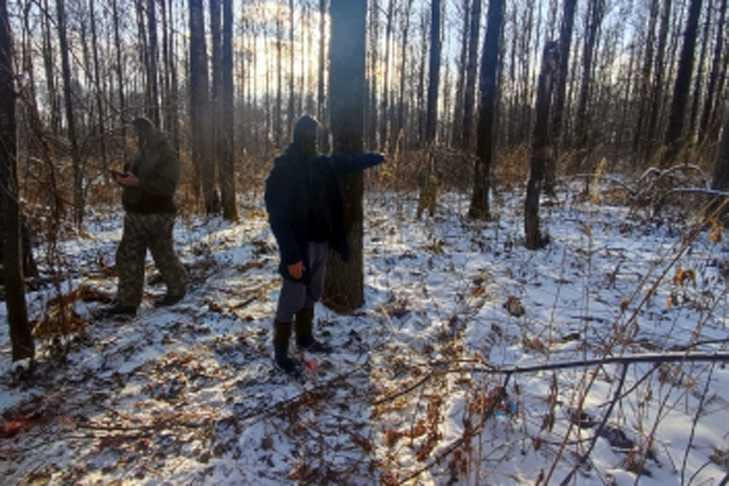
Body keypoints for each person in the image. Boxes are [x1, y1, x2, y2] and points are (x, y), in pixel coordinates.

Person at [265, 115, 384, 374]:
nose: (312, 140)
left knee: (312, 293)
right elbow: (278, 218)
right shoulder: (283, 170)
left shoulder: (320, 164)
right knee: (291, 297)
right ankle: (281, 351)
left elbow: (346, 162)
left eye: (314, 135)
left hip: (320, 243)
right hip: (297, 247)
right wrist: (291, 256)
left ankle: (305, 338)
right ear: (297, 136)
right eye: (307, 135)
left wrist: (373, 157)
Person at [99, 117, 188, 319]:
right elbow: (137, 178)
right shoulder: (142, 152)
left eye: (138, 133)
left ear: (148, 132)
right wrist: (125, 179)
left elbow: (167, 187)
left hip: (158, 214)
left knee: (162, 254)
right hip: (135, 213)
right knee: (128, 256)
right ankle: (127, 304)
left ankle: (178, 288)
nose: (135, 137)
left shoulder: (167, 154)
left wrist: (138, 182)